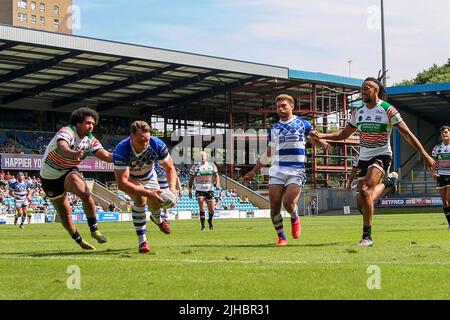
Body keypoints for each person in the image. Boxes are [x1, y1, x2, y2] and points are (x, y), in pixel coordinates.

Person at [310, 76, 435, 246]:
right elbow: (343, 135)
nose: (363, 90)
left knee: (366, 189)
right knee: (362, 204)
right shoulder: (358, 112)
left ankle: (367, 236)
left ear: (376, 90)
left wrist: (424, 154)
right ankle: (388, 182)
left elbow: (407, 134)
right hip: (364, 157)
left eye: (367, 87)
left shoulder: (387, 110)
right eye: (362, 88)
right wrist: (323, 135)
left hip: (382, 155)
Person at [244, 94, 332, 246]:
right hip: (277, 169)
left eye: (284, 105)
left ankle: (294, 215)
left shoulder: (303, 124)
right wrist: (254, 171)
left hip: (296, 170)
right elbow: (269, 152)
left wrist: (324, 144)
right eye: (278, 106)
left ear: (292, 106)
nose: (280, 108)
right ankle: (281, 237)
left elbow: (313, 139)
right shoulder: (274, 129)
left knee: (289, 202)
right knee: (275, 205)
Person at [39, 107, 113, 250]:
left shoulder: (90, 140)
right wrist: (72, 154)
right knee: (65, 212)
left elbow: (105, 155)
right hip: (49, 178)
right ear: (78, 123)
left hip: (68, 171)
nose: (91, 126)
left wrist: (122, 157)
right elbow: (62, 147)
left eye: (93, 123)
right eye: (88, 123)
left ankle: (94, 230)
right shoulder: (67, 131)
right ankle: (78, 239)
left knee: (85, 193)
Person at [113, 121, 178, 253]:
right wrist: (147, 193)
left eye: (146, 140)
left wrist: (172, 189)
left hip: (149, 176)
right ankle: (142, 241)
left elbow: (170, 168)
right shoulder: (121, 150)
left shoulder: (157, 144)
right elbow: (122, 183)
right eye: (140, 141)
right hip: (131, 178)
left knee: (155, 204)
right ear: (131, 137)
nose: (144, 144)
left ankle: (157, 219)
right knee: (141, 200)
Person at [189, 152, 220, 230]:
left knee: (212, 209)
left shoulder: (212, 165)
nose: (202, 157)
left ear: (206, 157)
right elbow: (191, 179)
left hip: (209, 189)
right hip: (199, 189)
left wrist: (218, 183)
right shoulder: (195, 167)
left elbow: (216, 176)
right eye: (201, 156)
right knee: (202, 206)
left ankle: (210, 221)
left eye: (203, 156)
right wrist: (190, 190)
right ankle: (202, 226)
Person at [431, 125, 450, 229]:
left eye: (446, 132)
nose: (444, 134)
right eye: (442, 133)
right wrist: (433, 173)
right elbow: (433, 162)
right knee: (444, 202)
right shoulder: (437, 148)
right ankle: (449, 223)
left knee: (449, 197)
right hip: (441, 176)